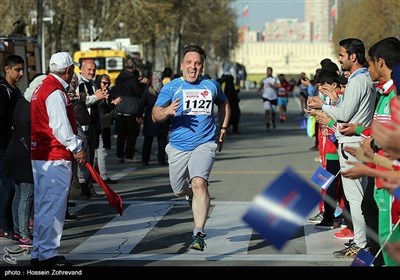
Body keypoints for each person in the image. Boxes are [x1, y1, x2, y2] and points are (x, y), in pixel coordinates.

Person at [152, 44, 230, 251]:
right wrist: (167, 110)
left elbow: (224, 103)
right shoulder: (172, 87)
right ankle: (189, 194)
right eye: (189, 63)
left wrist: (222, 128)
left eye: (197, 63)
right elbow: (155, 114)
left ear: (202, 65)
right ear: (182, 64)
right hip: (178, 146)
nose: (193, 67)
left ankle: (198, 233)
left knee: (199, 183)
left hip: (205, 143)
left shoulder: (211, 85)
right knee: (178, 190)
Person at [308, 38, 376, 258]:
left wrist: (323, 106)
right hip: (356, 141)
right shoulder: (363, 78)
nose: (339, 59)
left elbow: (345, 113)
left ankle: (360, 242)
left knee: (354, 197)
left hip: (352, 143)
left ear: (352, 56)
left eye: (341, 55)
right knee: (359, 195)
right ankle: (362, 240)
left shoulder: (358, 80)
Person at [30, 52, 86, 267]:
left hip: (42, 154)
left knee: (44, 205)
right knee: (53, 207)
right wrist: (75, 146)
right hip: (54, 154)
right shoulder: (54, 91)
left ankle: (40, 251)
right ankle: (47, 254)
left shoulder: (42, 87)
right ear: (69, 70)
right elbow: (60, 126)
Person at [4, 74, 45, 247]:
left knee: (19, 194)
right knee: (26, 195)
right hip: (24, 156)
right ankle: (24, 233)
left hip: (14, 152)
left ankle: (18, 230)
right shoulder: (32, 107)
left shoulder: (22, 101)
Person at [0, 54, 25, 239]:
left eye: (22, 69)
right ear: (7, 69)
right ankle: (3, 224)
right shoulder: (3, 91)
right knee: (7, 185)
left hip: (14, 146)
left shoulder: (15, 90)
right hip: (4, 146)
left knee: (13, 185)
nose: (21, 73)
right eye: (17, 69)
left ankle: (10, 222)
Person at [112, 57, 146, 163]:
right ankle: (129, 155)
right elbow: (137, 92)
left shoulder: (119, 77)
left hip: (120, 107)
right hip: (131, 109)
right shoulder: (132, 78)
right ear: (134, 67)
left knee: (121, 134)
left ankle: (119, 155)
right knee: (132, 134)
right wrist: (142, 84)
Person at [137, 71, 169, 166]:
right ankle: (161, 159)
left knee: (148, 140)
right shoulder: (165, 90)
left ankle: (145, 160)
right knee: (162, 140)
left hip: (150, 117)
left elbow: (142, 103)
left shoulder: (148, 90)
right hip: (163, 117)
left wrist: (139, 115)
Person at [94, 74, 121, 182]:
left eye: (108, 83)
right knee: (100, 151)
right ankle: (102, 176)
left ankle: (97, 175)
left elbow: (106, 108)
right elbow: (103, 109)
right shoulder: (97, 93)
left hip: (103, 125)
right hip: (96, 125)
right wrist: (112, 104)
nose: (106, 85)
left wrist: (111, 102)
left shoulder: (106, 93)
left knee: (98, 151)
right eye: (104, 83)